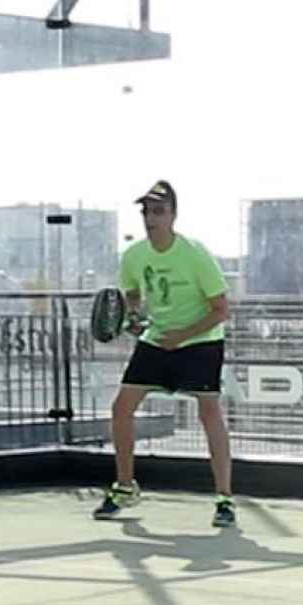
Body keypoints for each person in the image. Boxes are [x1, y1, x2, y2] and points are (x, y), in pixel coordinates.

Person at [94, 180, 237, 528]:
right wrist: (132, 321)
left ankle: (224, 499)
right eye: (146, 211)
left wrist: (183, 336)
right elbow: (133, 300)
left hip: (201, 340)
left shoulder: (195, 254)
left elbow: (221, 310)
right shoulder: (134, 256)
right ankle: (125, 487)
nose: (150, 218)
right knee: (122, 408)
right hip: (157, 341)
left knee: (209, 412)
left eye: (158, 211)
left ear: (173, 215)